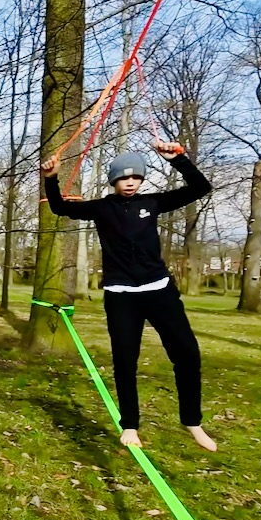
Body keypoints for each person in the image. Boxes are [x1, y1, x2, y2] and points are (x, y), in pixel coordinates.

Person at [41, 140, 217, 452]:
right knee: (125, 361)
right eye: (124, 178)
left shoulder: (153, 202)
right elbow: (59, 207)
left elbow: (200, 187)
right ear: (114, 180)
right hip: (121, 295)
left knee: (187, 354)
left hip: (159, 290)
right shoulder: (101, 208)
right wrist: (52, 179)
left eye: (136, 177)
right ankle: (131, 425)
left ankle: (192, 421)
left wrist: (178, 159)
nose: (131, 182)